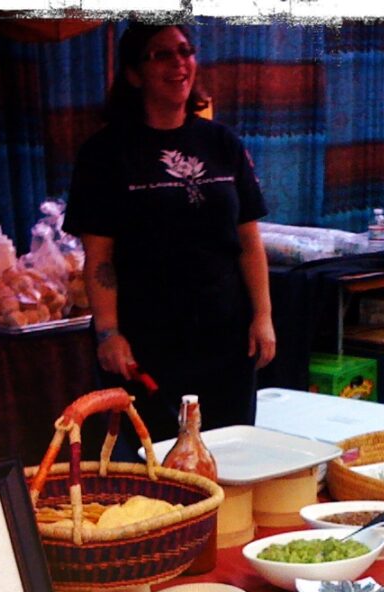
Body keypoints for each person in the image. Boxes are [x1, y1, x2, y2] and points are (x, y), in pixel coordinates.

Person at [65, 23, 276, 443]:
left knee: (231, 453)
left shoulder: (221, 143)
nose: (179, 63)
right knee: (162, 465)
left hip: (226, 337)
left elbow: (249, 242)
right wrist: (108, 332)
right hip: (151, 341)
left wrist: (263, 316)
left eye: (185, 51)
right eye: (162, 54)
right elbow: (100, 257)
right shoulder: (104, 154)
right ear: (134, 74)